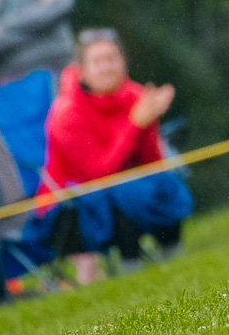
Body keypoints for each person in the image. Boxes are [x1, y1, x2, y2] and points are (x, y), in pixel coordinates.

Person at [28, 29, 191, 285]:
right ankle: (131, 266)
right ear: (82, 70)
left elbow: (152, 163)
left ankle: (174, 254)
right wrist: (135, 124)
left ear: (123, 63)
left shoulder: (136, 96)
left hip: (129, 191)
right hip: (72, 210)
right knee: (123, 190)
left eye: (112, 58)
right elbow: (97, 173)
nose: (107, 67)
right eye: (98, 61)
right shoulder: (66, 113)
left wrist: (150, 123)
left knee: (162, 181)